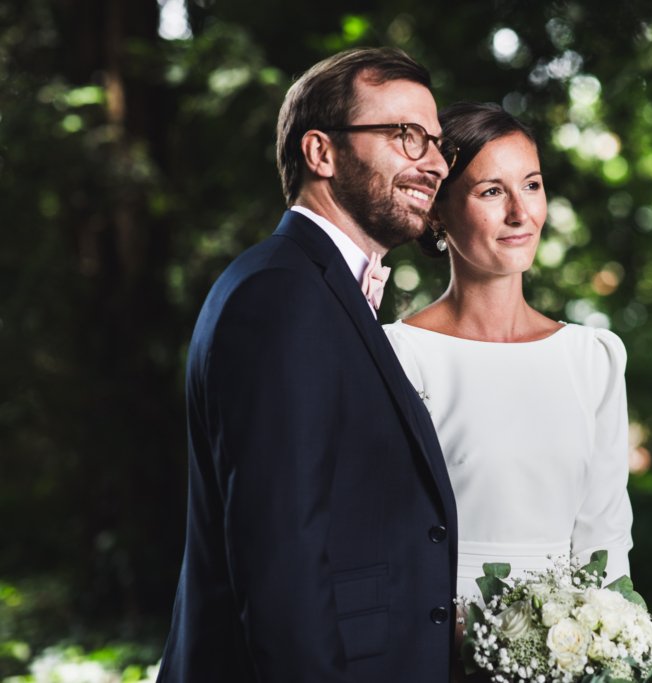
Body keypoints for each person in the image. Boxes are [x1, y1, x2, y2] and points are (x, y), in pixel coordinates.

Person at [156, 47, 460, 683]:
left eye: (436, 143)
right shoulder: (280, 295)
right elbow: (281, 561)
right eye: (407, 136)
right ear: (320, 153)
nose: (433, 163)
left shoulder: (318, 290)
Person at [383, 102, 633, 603]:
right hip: (430, 639)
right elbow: (378, 532)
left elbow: (605, 544)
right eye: (492, 191)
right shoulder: (395, 356)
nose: (521, 213)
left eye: (532, 185)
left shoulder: (593, 358)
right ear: (436, 211)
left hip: (571, 653)